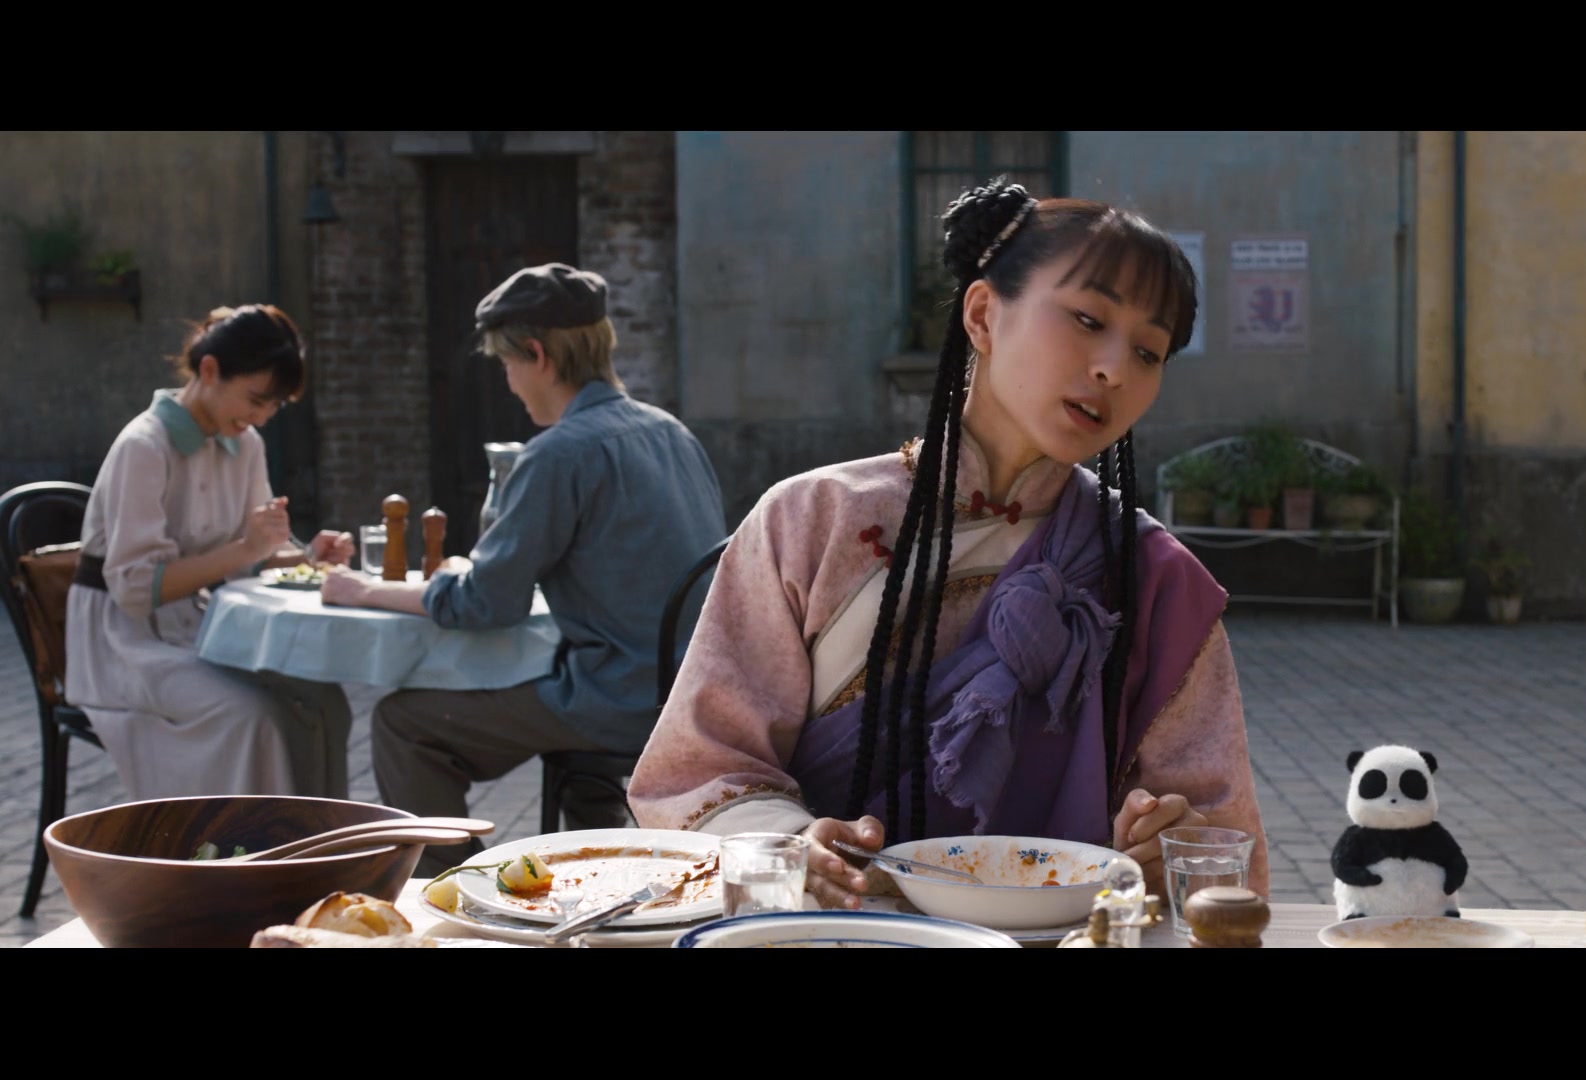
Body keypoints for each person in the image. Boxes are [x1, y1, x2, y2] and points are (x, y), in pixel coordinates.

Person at [626, 179, 1270, 909]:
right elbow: (699, 766)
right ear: (984, 314)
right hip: (834, 924)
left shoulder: (1155, 581)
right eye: (1088, 319)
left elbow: (1223, 852)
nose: (1114, 369)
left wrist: (1169, 848)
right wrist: (788, 842)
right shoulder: (810, 521)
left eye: (1149, 353)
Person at [321, 263, 728, 874]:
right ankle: (594, 863)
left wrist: (365, 590)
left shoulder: (560, 453)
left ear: (537, 355)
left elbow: (486, 603)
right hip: (691, 691)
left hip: (620, 701)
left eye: (506, 364)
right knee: (573, 681)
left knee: (403, 725)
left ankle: (471, 888)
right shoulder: (669, 431)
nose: (509, 383)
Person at [65, 304, 357, 800]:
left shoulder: (246, 445)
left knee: (324, 701)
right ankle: (247, 843)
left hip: (195, 627)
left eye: (274, 406)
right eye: (255, 399)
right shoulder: (144, 446)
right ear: (208, 370)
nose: (261, 416)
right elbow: (135, 587)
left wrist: (309, 555)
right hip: (121, 641)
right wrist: (245, 548)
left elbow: (257, 553)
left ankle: (322, 837)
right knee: (252, 715)